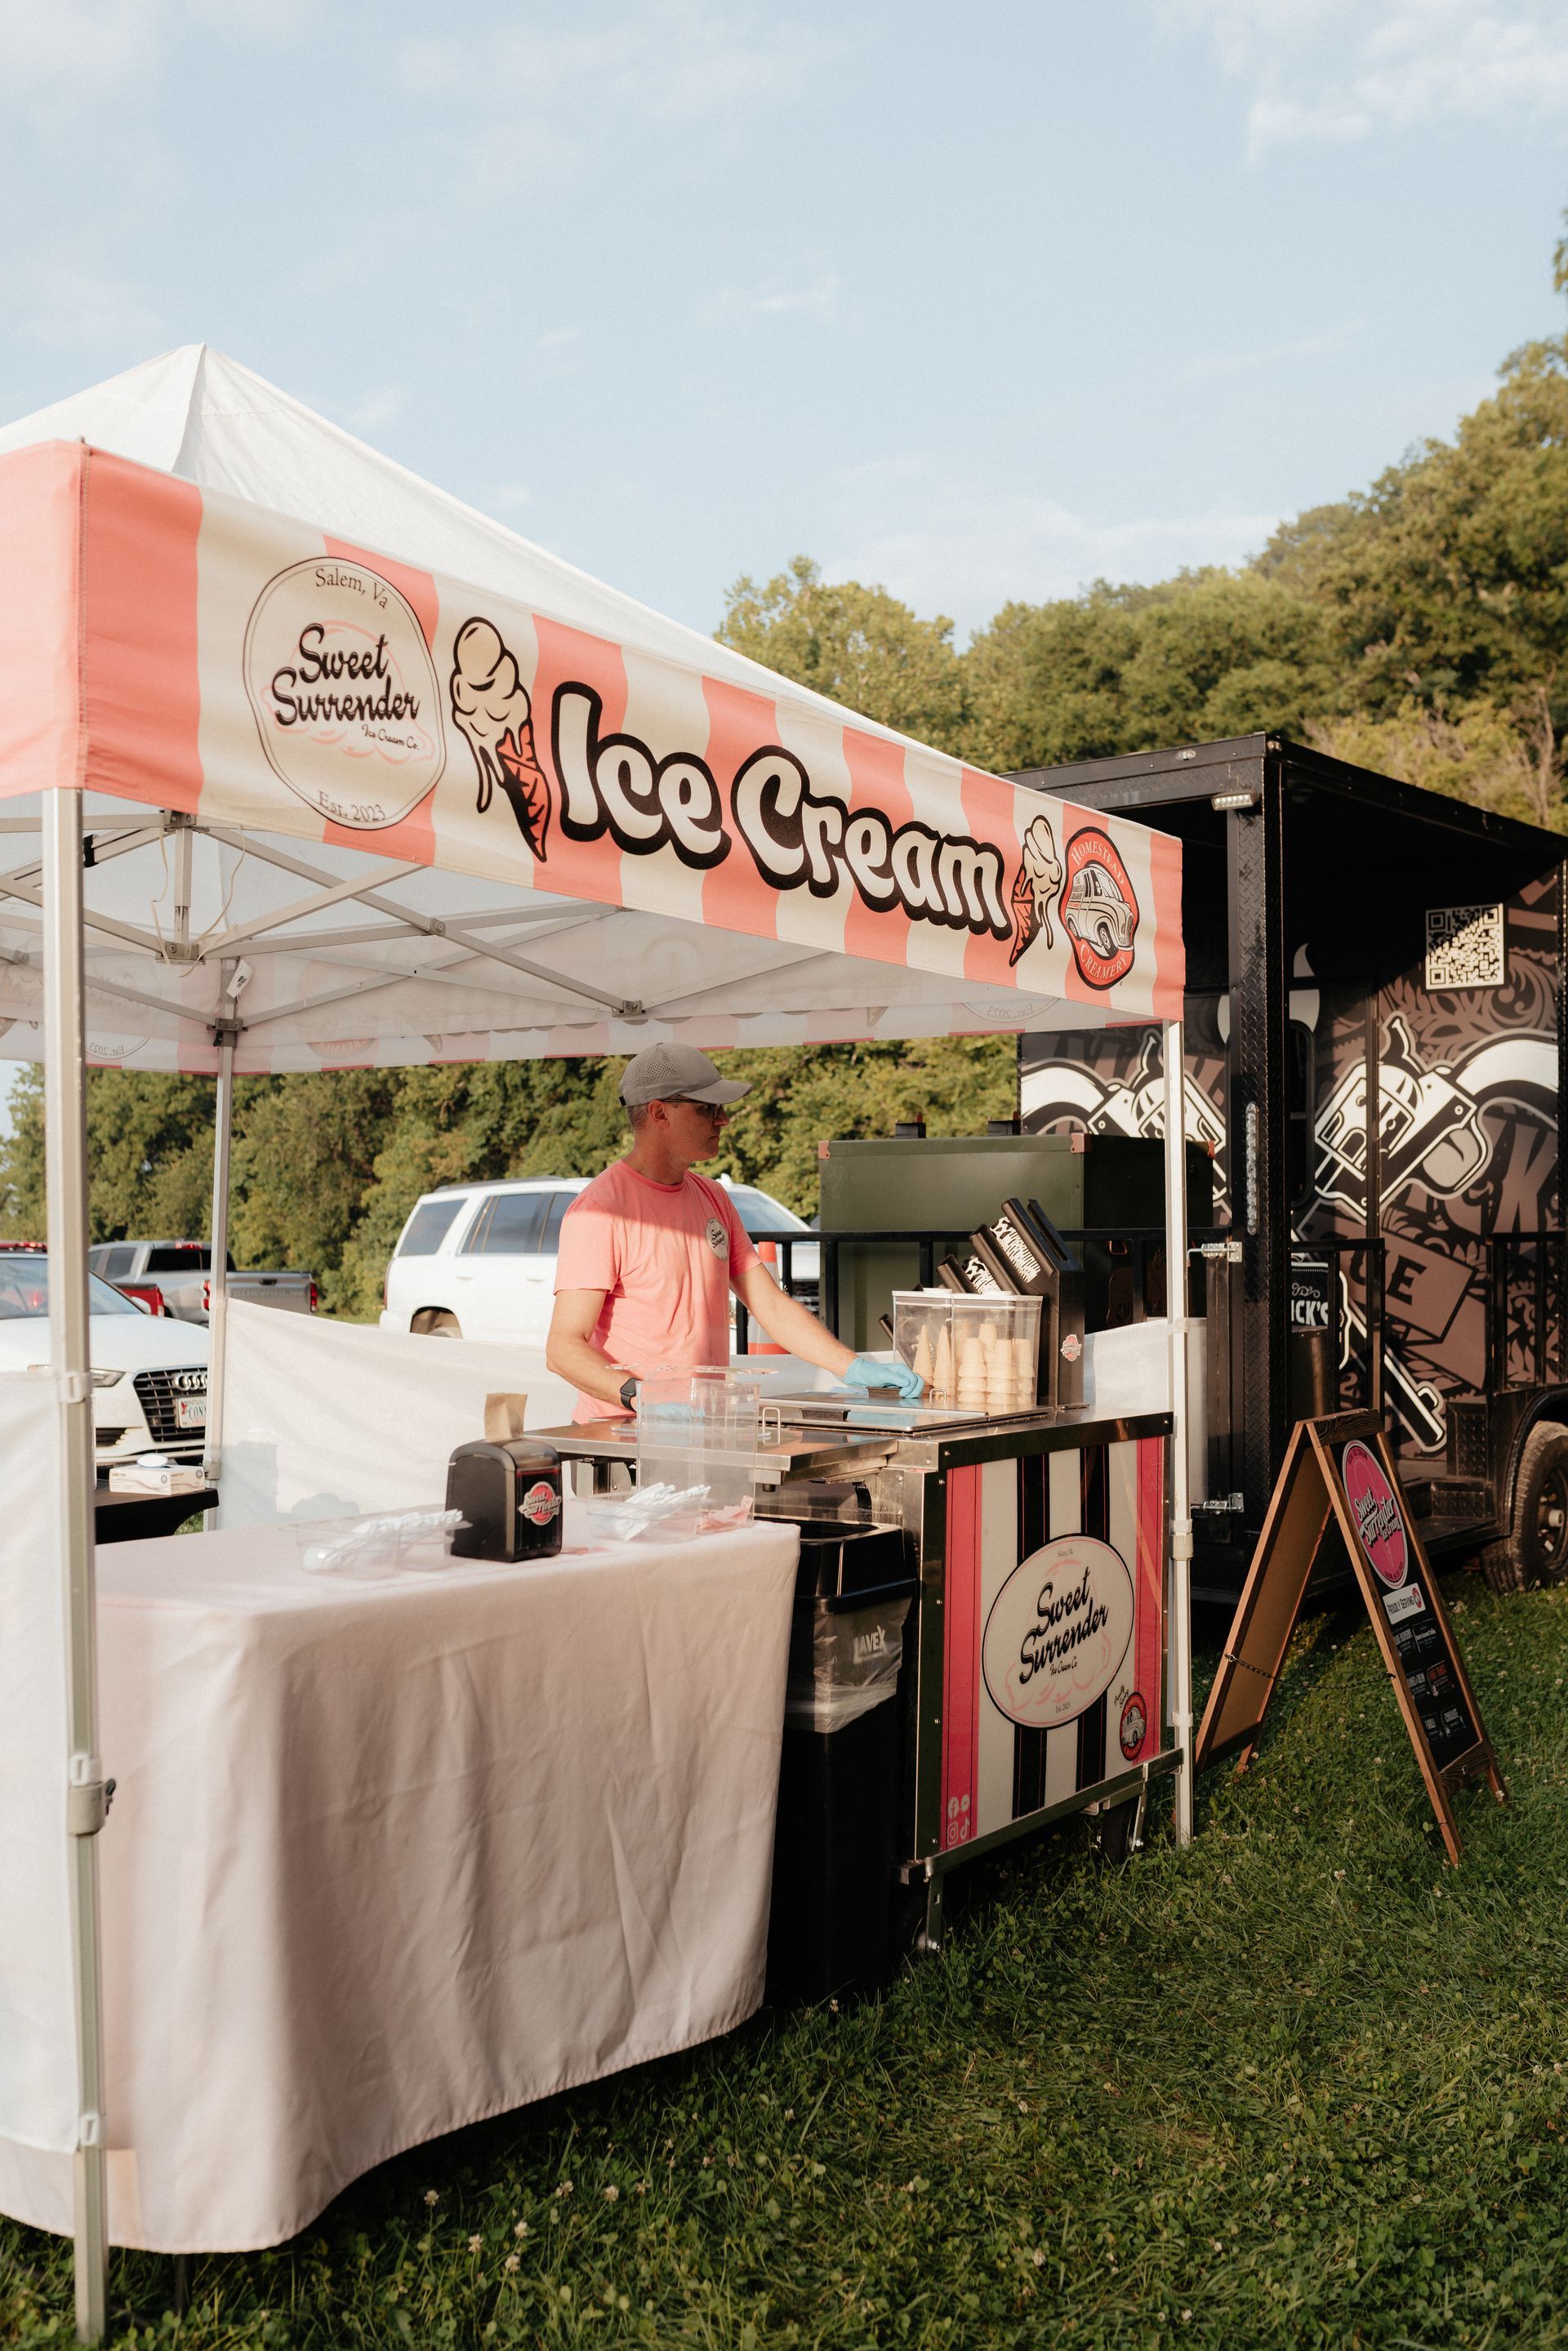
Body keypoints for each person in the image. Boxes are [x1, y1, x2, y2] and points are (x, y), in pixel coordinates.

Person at [546, 1041, 924, 1420]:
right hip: (623, 1438)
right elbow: (563, 1348)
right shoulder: (600, 1211)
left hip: (705, 1425)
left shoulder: (713, 1197)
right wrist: (641, 1397)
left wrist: (852, 1367)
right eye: (707, 1109)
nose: (723, 1120)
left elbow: (771, 1306)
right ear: (660, 1113)